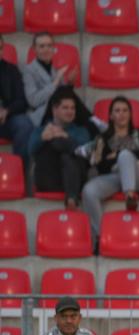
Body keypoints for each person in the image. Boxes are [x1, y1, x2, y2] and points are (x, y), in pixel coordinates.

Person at [81, 96, 139, 241]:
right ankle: (101, 237)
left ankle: (129, 196)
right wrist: (109, 160)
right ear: (111, 116)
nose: (122, 114)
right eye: (117, 111)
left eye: (125, 110)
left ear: (130, 114)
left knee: (125, 155)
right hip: (116, 178)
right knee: (88, 191)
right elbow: (102, 167)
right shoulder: (103, 138)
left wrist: (117, 156)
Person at [23, 32, 103, 136]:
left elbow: (62, 95)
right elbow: (33, 101)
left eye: (49, 46)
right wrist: (56, 81)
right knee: (69, 98)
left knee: (83, 121)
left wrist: (69, 83)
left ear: (53, 48)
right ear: (35, 49)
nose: (46, 49)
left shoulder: (54, 69)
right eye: (42, 46)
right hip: (43, 114)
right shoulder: (29, 70)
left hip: (60, 110)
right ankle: (96, 121)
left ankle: (95, 128)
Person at [28, 89, 90, 209]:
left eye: (72, 108)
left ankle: (71, 197)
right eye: (65, 108)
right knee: (54, 144)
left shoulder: (81, 131)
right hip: (49, 179)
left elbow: (86, 154)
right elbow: (30, 151)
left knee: (67, 153)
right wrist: (42, 138)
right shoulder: (41, 130)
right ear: (54, 110)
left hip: (75, 179)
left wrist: (66, 137)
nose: (70, 111)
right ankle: (71, 198)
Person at [0, 35, 35, 164]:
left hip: (7, 120)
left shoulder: (11, 70)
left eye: (0, 48)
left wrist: (6, 111)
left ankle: (18, 172)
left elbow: (22, 101)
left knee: (25, 125)